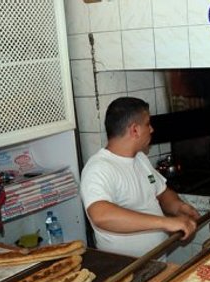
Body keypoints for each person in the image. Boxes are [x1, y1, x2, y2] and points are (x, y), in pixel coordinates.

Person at [80, 97, 199, 258]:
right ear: (134, 130)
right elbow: (101, 215)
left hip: (155, 261)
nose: (151, 130)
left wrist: (179, 207)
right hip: (125, 270)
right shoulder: (99, 168)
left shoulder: (140, 158)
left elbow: (162, 193)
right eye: (147, 124)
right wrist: (166, 222)